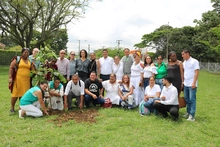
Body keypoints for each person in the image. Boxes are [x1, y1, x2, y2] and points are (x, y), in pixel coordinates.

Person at [9, 48, 35, 113]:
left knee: (24, 94)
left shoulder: (30, 61)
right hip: (18, 80)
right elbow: (11, 68)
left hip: (27, 81)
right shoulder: (18, 59)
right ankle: (12, 107)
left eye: (27, 53)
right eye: (25, 52)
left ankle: (21, 107)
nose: (26, 54)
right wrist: (10, 78)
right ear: (22, 53)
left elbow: (33, 70)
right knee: (15, 94)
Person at [182, 50, 200, 121]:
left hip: (192, 84)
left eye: (183, 54)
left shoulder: (194, 61)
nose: (182, 56)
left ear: (187, 54)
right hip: (186, 83)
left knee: (192, 99)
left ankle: (192, 115)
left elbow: (197, 72)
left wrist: (194, 82)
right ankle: (188, 112)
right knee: (187, 99)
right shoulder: (184, 62)